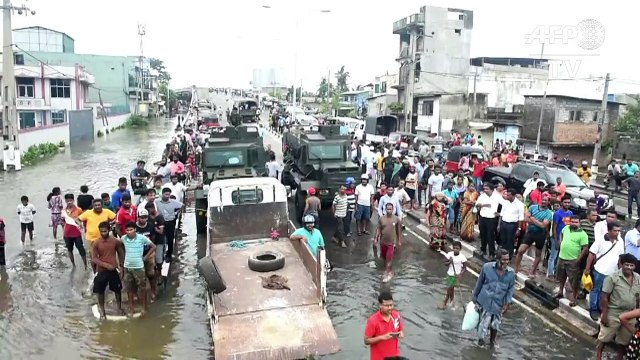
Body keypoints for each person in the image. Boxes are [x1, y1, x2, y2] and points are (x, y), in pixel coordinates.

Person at [595, 253, 640, 360]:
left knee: (624, 340)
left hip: (630, 314)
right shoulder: (612, 278)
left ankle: (619, 357)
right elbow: (604, 297)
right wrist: (604, 314)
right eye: (627, 265)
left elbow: (638, 298)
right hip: (613, 313)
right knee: (605, 338)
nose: (629, 267)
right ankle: (598, 356)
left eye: (631, 265)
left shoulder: (638, 278)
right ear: (621, 264)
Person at [472, 249, 515, 346]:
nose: (506, 262)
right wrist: (474, 298)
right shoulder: (487, 267)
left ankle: (492, 341)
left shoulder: (511, 273)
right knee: (483, 324)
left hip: (498, 304)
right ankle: (481, 342)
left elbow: (510, 290)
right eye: (504, 260)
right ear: (498, 259)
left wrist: (506, 304)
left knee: (495, 324)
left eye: (508, 260)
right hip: (485, 302)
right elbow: (479, 283)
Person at [584, 221, 626, 321]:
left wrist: (620, 271)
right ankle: (593, 309)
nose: (617, 233)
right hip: (600, 270)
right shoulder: (600, 240)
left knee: (605, 292)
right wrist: (587, 268)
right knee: (595, 290)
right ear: (609, 230)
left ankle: (600, 307)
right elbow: (591, 254)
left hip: (612, 273)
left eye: (619, 231)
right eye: (615, 231)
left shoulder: (620, 241)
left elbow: (620, 258)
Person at [121, 221, 156, 317]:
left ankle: (144, 308)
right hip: (127, 267)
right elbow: (121, 248)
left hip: (139, 267)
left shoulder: (142, 238)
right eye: (127, 230)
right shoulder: (123, 238)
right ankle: (131, 308)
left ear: (135, 230)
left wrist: (146, 257)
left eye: (131, 229)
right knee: (129, 288)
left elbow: (153, 246)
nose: (129, 232)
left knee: (142, 288)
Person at [92, 222, 125, 319]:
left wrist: (122, 266)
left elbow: (120, 253)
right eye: (101, 231)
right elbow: (94, 258)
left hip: (114, 270)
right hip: (102, 270)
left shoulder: (115, 241)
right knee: (100, 291)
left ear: (109, 230)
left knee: (117, 290)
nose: (103, 233)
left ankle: (119, 308)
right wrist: (106, 265)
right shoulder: (96, 243)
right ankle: (102, 311)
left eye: (105, 231)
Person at [514, 197, 553, 276]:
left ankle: (532, 271)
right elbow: (525, 218)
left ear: (548, 202)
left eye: (546, 200)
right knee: (521, 250)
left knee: (538, 254)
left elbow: (543, 225)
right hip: (530, 232)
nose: (544, 201)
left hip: (541, 234)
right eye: (543, 199)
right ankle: (516, 268)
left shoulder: (549, 213)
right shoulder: (533, 207)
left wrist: (532, 218)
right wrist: (538, 222)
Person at [555, 215, 588, 306]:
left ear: (579, 223)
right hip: (562, 257)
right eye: (572, 222)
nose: (574, 223)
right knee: (561, 277)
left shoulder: (583, 234)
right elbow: (561, 233)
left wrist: (578, 259)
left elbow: (585, 248)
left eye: (576, 222)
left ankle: (574, 299)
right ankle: (560, 292)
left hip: (573, 260)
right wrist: (561, 242)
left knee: (574, 281)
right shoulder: (565, 228)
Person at [78, 199, 116, 272]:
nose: (97, 206)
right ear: (93, 206)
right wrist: (80, 225)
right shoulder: (88, 212)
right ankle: (95, 272)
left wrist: (111, 224)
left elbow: (116, 217)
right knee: (93, 257)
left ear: (102, 205)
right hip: (90, 239)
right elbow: (78, 219)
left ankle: (105, 270)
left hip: (104, 238)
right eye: (95, 205)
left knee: (104, 255)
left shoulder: (107, 211)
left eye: (99, 205)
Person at [364, 291, 404, 360]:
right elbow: (366, 341)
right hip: (379, 358)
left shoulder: (396, 315)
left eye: (391, 305)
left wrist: (401, 334)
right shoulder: (373, 320)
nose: (389, 308)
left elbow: (400, 330)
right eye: (386, 305)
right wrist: (382, 337)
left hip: (394, 356)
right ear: (380, 305)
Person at [375, 202, 402, 282]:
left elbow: (399, 230)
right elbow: (378, 229)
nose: (389, 210)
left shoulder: (396, 219)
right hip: (383, 242)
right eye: (388, 209)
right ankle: (389, 271)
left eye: (390, 209)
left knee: (389, 259)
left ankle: (386, 274)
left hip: (391, 243)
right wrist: (376, 238)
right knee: (383, 258)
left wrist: (399, 240)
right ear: (385, 209)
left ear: (393, 210)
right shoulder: (381, 218)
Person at [439, 240, 467, 310]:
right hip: (450, 274)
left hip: (456, 275)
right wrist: (449, 262)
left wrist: (460, 274)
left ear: (460, 249)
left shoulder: (462, 257)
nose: (455, 250)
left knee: (449, 288)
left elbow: (464, 268)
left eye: (457, 248)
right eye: (454, 248)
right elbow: (445, 263)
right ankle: (452, 302)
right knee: (451, 289)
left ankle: (445, 302)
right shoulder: (450, 254)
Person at [476, 184, 501, 259]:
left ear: (492, 190)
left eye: (487, 189)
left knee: (491, 236)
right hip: (482, 217)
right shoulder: (482, 196)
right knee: (483, 235)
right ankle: (483, 250)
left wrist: (499, 213)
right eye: (484, 189)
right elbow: (477, 204)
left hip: (491, 219)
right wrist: (484, 205)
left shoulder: (497, 196)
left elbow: (505, 205)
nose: (485, 190)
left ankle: (492, 253)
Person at [62, 193, 87, 269]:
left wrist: (84, 229)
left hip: (77, 233)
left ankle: (85, 265)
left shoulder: (79, 210)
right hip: (67, 234)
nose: (69, 202)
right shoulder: (63, 211)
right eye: (67, 200)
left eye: (70, 200)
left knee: (81, 250)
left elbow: (83, 219)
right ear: (65, 201)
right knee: (70, 249)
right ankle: (73, 265)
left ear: (73, 200)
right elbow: (62, 221)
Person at [498, 188, 524, 259]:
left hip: (512, 225)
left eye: (509, 195)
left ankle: (509, 256)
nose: (507, 197)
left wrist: (519, 228)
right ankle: (502, 255)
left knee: (510, 241)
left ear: (514, 196)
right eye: (507, 195)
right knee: (503, 240)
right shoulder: (505, 202)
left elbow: (520, 218)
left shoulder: (520, 204)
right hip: (504, 223)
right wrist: (499, 225)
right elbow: (501, 214)